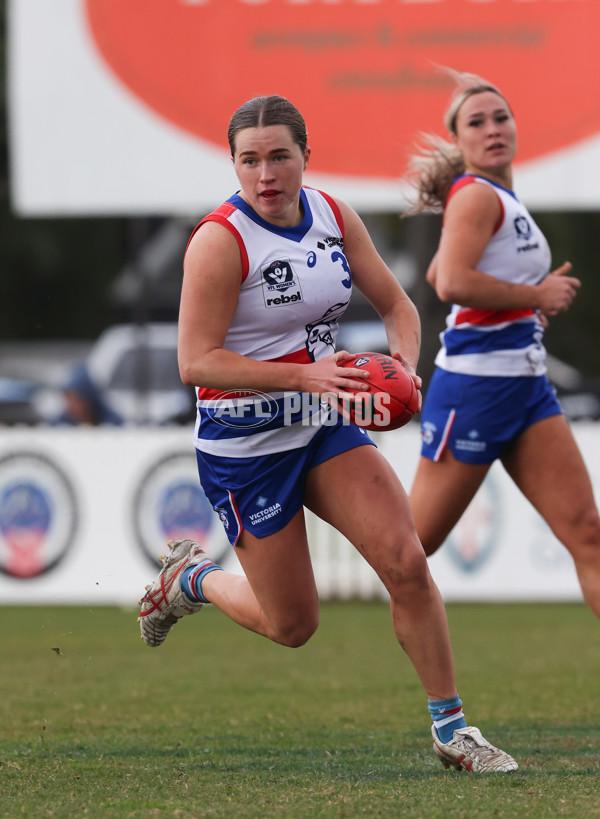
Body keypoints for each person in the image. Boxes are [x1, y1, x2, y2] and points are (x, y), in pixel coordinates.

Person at [138, 95, 517, 773]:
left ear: (305, 157)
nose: (265, 173)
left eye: (279, 155)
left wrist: (403, 363)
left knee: (406, 559)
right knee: (293, 626)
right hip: (245, 446)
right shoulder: (220, 241)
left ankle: (453, 729)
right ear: (234, 165)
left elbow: (398, 304)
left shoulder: (333, 215)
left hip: (320, 423)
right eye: (249, 159)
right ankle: (191, 579)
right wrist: (301, 377)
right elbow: (195, 361)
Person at [404, 70, 600, 619]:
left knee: (588, 532)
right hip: (476, 389)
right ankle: (255, 580)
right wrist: (534, 293)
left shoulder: (494, 198)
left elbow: (446, 265)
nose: (493, 129)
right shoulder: (475, 197)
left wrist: (523, 298)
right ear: (460, 141)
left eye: (500, 117)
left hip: (525, 385)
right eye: (477, 122)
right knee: (408, 550)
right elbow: (448, 283)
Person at [52, 361, 124, 426]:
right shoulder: (60, 424)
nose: (70, 405)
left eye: (75, 399)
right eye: (68, 398)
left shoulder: (112, 422)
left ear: (87, 398)